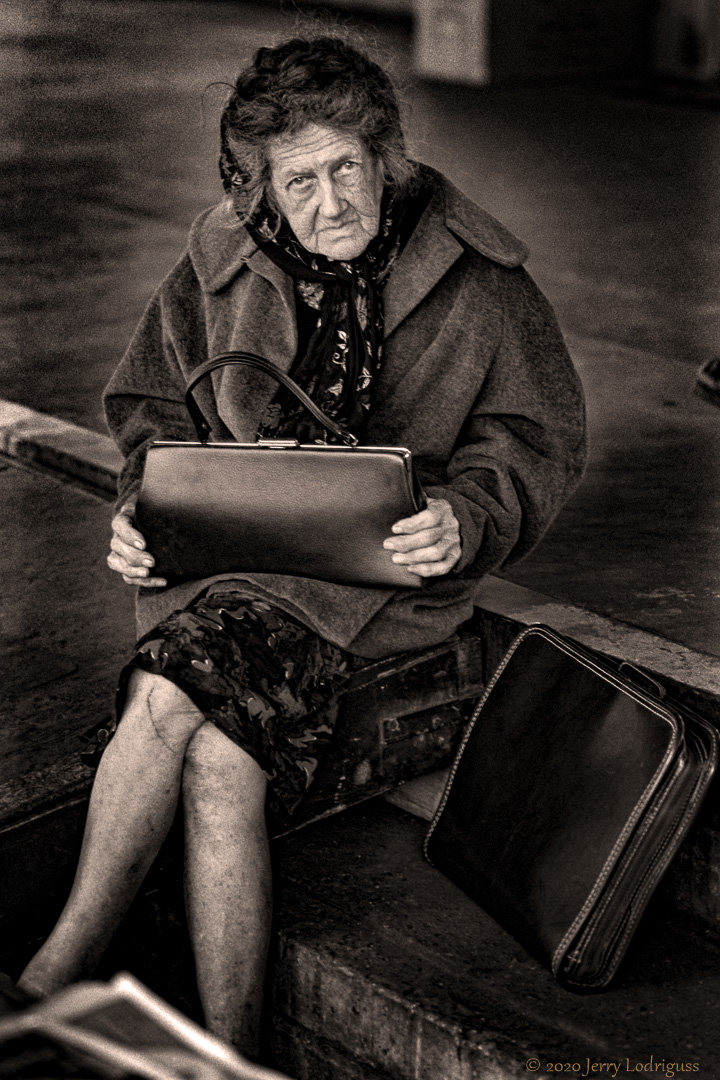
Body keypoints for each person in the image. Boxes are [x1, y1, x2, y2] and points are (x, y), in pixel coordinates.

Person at [17, 35, 587, 1060]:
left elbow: (533, 443)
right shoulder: (221, 259)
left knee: (168, 692)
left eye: (347, 167)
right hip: (236, 568)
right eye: (300, 181)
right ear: (262, 196)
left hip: (381, 597)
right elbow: (148, 407)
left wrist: (468, 515)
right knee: (225, 760)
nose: (331, 200)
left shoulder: (480, 282)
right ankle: (230, 1054)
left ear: (384, 156)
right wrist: (145, 513)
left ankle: (48, 979)